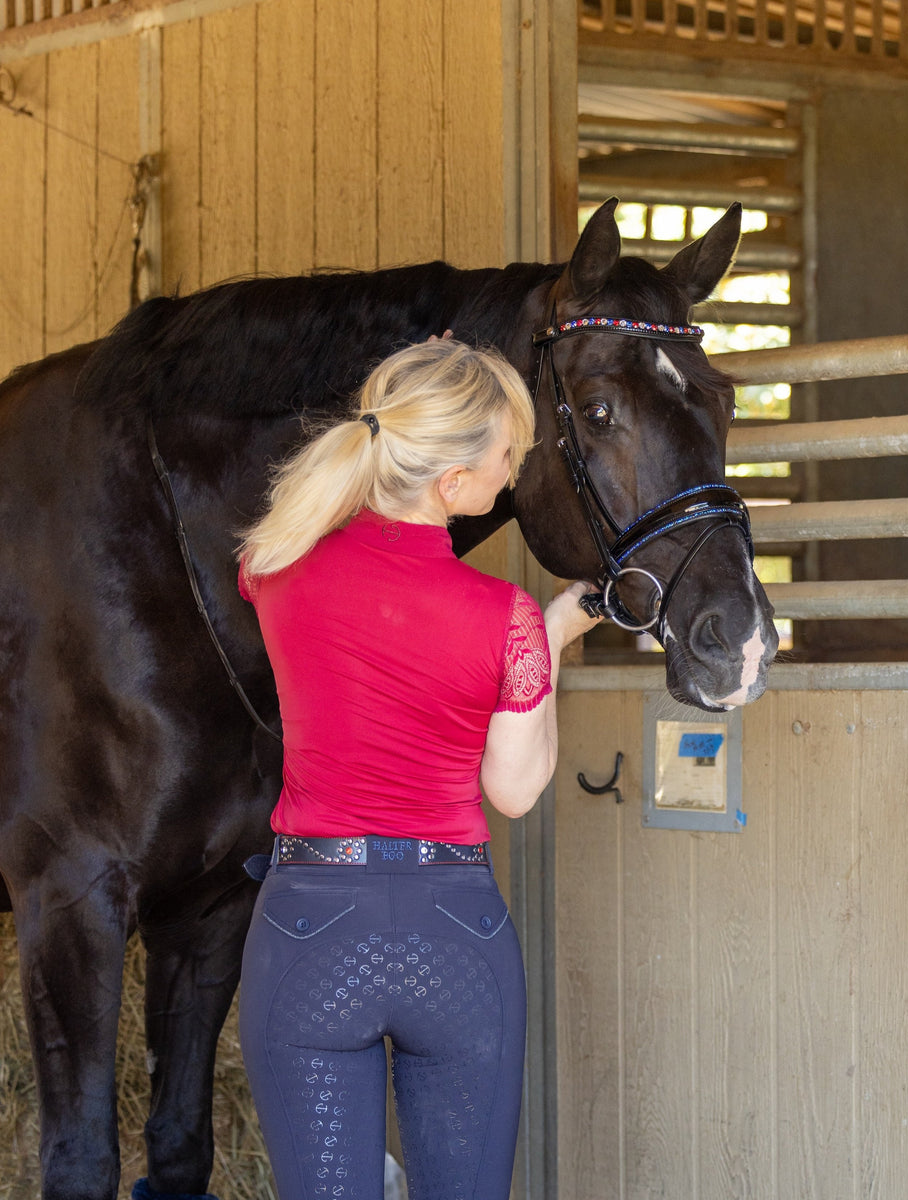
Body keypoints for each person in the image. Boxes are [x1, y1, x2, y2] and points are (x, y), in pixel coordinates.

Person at [235, 337, 599, 1200]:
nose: (510, 478)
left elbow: (325, 568)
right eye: (506, 456)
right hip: (453, 938)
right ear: (452, 485)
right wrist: (547, 640)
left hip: (309, 936)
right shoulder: (505, 618)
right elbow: (513, 790)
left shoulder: (275, 566)